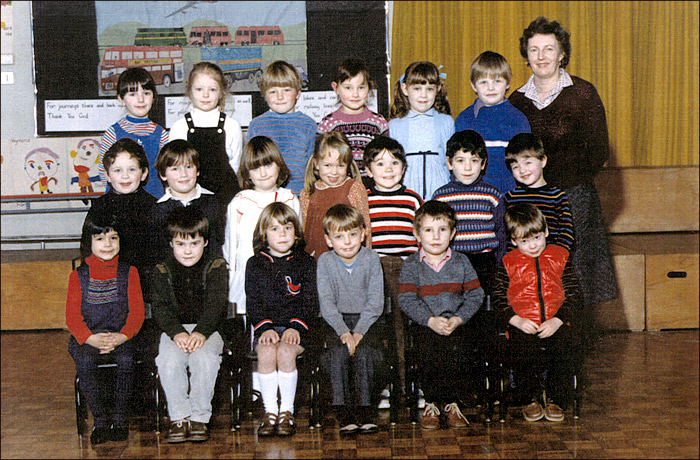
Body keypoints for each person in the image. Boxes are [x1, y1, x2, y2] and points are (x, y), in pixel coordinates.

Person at [508, 17, 618, 328]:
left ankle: (574, 348)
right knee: (536, 273)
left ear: (561, 54)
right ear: (526, 55)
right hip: (531, 201)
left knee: (574, 273)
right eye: (534, 49)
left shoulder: (583, 93)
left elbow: (598, 150)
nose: (541, 56)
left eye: (548, 49)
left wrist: (563, 185)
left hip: (574, 198)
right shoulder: (516, 100)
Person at [398, 200, 484, 430]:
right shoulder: (411, 264)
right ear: (417, 234)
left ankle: (452, 403)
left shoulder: (461, 262)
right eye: (428, 230)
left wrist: (458, 318)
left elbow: (476, 294)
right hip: (425, 324)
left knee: (460, 348)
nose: (435, 236)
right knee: (427, 348)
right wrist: (430, 320)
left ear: (453, 233)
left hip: (456, 322)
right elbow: (406, 298)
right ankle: (432, 403)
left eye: (442, 230)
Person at [492, 203, 582, 422]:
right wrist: (516, 320)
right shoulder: (507, 263)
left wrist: (558, 320)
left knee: (563, 350)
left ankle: (556, 399)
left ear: (546, 232)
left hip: (556, 322)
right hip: (523, 324)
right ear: (513, 241)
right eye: (524, 241)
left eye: (537, 238)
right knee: (522, 352)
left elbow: (575, 294)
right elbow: (496, 299)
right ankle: (529, 398)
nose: (532, 246)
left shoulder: (560, 256)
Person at [66, 211, 145, 445]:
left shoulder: (129, 272)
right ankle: (100, 420)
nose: (107, 244)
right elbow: (72, 317)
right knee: (85, 363)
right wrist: (90, 339)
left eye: (113, 238)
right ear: (88, 243)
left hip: (121, 336)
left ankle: (120, 420)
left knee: (126, 361)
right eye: (99, 239)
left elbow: (137, 313)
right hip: (88, 337)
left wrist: (122, 337)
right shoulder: (77, 276)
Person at [151, 206, 229, 443]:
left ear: (205, 242)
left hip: (208, 329)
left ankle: (199, 417)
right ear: (171, 244)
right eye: (181, 244)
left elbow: (216, 305)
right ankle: (179, 417)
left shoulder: (216, 266)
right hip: (174, 330)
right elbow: (160, 308)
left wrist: (201, 332)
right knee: (169, 361)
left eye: (194, 244)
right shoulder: (161, 269)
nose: (187, 251)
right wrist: (176, 333)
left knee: (203, 359)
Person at [245, 202, 318, 437]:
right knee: (266, 352)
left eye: (287, 228)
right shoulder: (255, 264)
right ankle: (270, 412)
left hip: (298, 327)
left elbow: (310, 300)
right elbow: (253, 302)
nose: (282, 234)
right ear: (263, 234)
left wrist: (296, 326)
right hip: (267, 326)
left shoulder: (306, 262)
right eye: (275, 229)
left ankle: (287, 411)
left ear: (296, 232)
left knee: (286, 352)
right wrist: (264, 328)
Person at [363, 135, 423, 407]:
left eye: (394, 163)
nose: (388, 170)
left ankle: (408, 384)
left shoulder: (412, 199)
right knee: (376, 330)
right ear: (368, 169)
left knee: (404, 329)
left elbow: (421, 238)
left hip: (406, 268)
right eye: (380, 163)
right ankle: (381, 386)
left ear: (404, 167)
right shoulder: (363, 200)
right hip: (373, 268)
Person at [317, 204, 384, 435]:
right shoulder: (325, 262)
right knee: (337, 354)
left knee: (365, 354)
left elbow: (375, 304)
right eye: (339, 236)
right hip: (337, 323)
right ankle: (344, 414)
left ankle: (366, 413)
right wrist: (344, 332)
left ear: (363, 234)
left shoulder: (372, 259)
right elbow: (326, 304)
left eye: (353, 235)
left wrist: (358, 333)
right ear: (328, 240)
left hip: (368, 322)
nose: (347, 242)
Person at [223, 135, 300, 316]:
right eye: (256, 168)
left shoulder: (289, 199)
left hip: (282, 275)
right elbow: (230, 244)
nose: (263, 173)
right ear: (247, 172)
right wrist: (232, 277)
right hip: (247, 274)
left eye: (268, 165)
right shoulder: (240, 201)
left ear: (279, 165)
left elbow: (297, 241)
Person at [431, 129, 506, 295]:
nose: (467, 167)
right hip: (452, 261)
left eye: (474, 160)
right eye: (460, 160)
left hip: (485, 263)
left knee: (485, 310)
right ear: (449, 163)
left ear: (483, 163)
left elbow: (502, 232)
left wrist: (500, 264)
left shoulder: (492, 195)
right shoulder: (441, 197)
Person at [86, 137, 157, 305]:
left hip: (146, 290)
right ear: (107, 175)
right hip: (109, 288)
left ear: (144, 173)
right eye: (117, 170)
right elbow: (87, 251)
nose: (125, 176)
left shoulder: (155, 207)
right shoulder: (99, 208)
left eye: (132, 169)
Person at [169, 62, 242, 214]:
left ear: (221, 92)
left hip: (224, 198)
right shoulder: (180, 126)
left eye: (212, 89)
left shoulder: (231, 126)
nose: (206, 95)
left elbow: (235, 165)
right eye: (199, 89)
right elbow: (173, 166)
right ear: (190, 91)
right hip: (191, 196)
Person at [454, 51, 531, 195]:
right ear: (473, 85)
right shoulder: (465, 119)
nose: (490, 88)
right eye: (484, 82)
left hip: (510, 195)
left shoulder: (518, 119)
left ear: (507, 83)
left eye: (497, 81)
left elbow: (527, 163)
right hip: (475, 195)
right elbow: (457, 163)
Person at [246, 60, 317, 196]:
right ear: (264, 95)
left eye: (286, 90)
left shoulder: (309, 125)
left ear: (298, 93)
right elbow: (250, 164)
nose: (280, 97)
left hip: (300, 194)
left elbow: (312, 167)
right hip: (265, 194)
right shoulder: (256, 125)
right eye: (273, 92)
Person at [388, 61, 454, 200]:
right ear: (405, 89)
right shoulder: (395, 125)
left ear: (438, 89)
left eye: (429, 89)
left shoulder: (446, 122)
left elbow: (451, 160)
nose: (423, 95)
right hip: (407, 193)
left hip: (440, 191)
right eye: (417, 89)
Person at [150, 140, 224, 264]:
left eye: (188, 167)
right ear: (163, 174)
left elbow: (217, 246)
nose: (183, 174)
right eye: (175, 169)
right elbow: (158, 254)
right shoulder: (158, 210)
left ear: (198, 170)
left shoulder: (212, 203)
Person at [99, 67, 169, 198]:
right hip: (119, 203)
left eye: (146, 93)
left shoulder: (162, 134)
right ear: (121, 99)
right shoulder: (112, 133)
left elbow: (167, 172)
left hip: (154, 202)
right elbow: (104, 172)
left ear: (154, 97)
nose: (141, 99)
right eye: (133, 94)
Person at [299, 131, 371, 259]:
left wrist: (366, 261)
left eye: (340, 166)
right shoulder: (307, 194)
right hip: (317, 263)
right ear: (316, 164)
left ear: (348, 165)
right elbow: (306, 233)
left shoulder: (354, 188)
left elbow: (366, 228)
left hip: (349, 261)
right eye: (328, 165)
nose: (334, 172)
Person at [317, 57, 389, 178]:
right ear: (336, 88)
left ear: (369, 88)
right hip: (338, 186)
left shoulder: (379, 123)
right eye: (348, 88)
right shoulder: (327, 124)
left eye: (361, 87)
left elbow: (385, 160)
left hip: (370, 187)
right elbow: (320, 161)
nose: (355, 94)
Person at [504, 132, 574, 253]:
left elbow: (567, 231)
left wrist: (557, 255)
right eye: (515, 166)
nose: (522, 170)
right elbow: (505, 235)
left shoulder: (557, 196)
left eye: (528, 162)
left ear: (543, 160)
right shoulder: (510, 198)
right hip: (520, 263)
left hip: (551, 261)